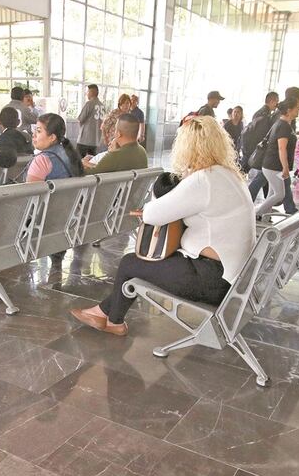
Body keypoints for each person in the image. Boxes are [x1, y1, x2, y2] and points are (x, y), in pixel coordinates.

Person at [69, 116, 254, 336]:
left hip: (211, 279)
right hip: (232, 276)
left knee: (130, 262)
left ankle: (112, 320)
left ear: (186, 146)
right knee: (139, 263)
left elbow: (153, 214)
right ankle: (105, 315)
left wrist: (176, 186)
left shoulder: (204, 179)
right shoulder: (229, 175)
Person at [255, 97, 299, 218]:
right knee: (280, 194)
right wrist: (285, 168)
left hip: (274, 166)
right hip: (273, 165)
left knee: (272, 194)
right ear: (289, 110)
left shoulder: (284, 124)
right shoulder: (283, 126)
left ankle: (265, 217)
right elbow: (282, 148)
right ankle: (255, 214)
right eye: (297, 107)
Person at [26, 113, 84, 182]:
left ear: (52, 137)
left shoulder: (42, 160)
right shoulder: (70, 154)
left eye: (38, 131)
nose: (33, 135)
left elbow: (31, 190)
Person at [77, 84, 104, 158]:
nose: (87, 94)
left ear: (92, 92)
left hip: (85, 139)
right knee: (92, 160)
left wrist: (81, 132)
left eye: (88, 91)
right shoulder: (102, 105)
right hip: (96, 139)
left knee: (79, 161)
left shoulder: (89, 104)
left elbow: (80, 119)